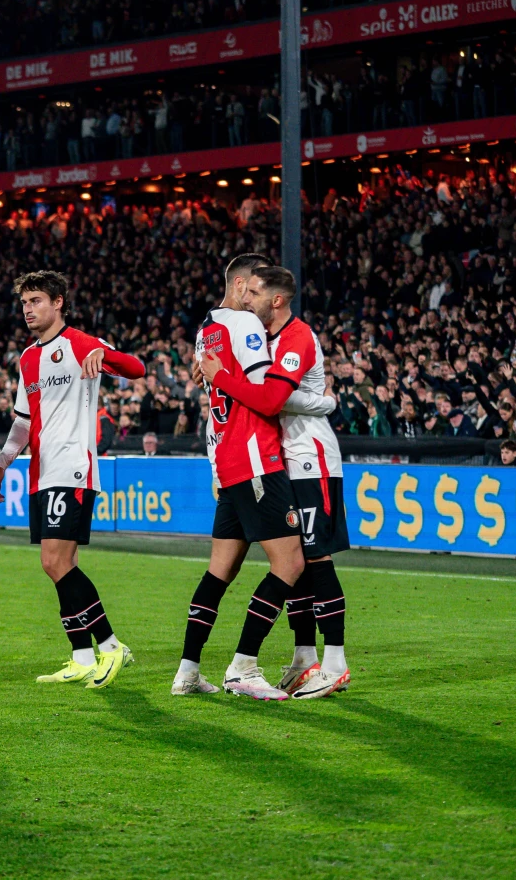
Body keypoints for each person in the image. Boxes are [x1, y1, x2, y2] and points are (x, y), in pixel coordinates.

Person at [0, 270, 146, 689]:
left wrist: (105, 357)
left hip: (73, 466)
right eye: (24, 303)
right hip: (41, 471)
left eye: (36, 300)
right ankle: (80, 656)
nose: (28, 309)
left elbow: (137, 367)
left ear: (58, 302)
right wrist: (3, 462)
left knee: (54, 561)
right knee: (61, 565)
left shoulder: (81, 342)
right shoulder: (27, 358)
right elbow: (23, 421)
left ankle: (111, 646)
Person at [204, 266, 351, 700]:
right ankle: (305, 657)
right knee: (300, 561)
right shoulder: (265, 340)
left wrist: (223, 378)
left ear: (278, 300)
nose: (245, 301)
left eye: (254, 294)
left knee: (317, 559)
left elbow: (269, 398)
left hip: (312, 460)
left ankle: (336, 663)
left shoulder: (296, 338)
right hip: (284, 460)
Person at [176, 255, 307, 701]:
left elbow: (219, 385)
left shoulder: (206, 330)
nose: (258, 295)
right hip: (256, 458)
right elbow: (265, 395)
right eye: (254, 286)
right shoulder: (244, 325)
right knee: (290, 563)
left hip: (230, 460)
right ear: (240, 284)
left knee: (220, 571)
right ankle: (244, 666)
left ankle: (187, 671)